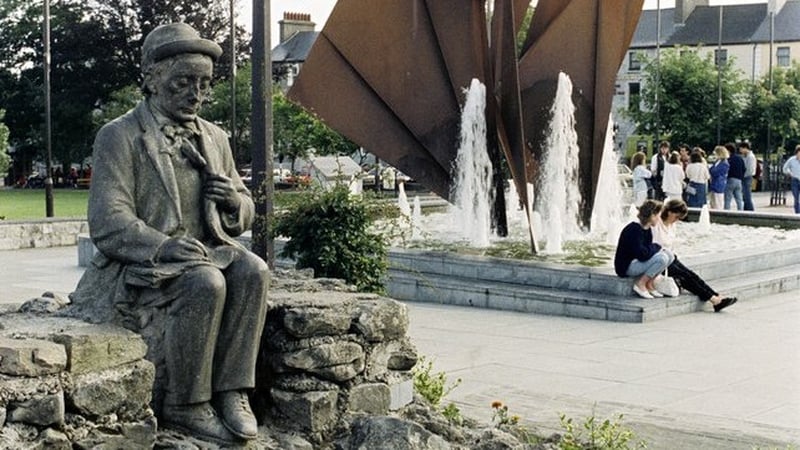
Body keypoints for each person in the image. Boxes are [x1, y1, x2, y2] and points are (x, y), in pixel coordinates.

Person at [70, 23, 268, 445]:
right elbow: (108, 220)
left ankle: (232, 390)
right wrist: (163, 246)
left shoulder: (215, 137)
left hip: (207, 249)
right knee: (206, 282)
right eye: (183, 82)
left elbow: (247, 206)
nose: (196, 94)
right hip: (147, 263)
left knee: (254, 270)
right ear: (153, 79)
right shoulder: (119, 136)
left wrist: (233, 202)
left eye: (204, 84)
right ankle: (186, 403)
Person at [652, 199, 738, 312]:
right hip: (659, 259)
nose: (677, 220)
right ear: (669, 212)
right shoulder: (656, 224)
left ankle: (716, 295)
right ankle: (713, 300)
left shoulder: (672, 225)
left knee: (691, 274)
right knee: (684, 276)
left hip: (670, 257)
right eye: (677, 217)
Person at [614, 199, 675, 299]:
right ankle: (641, 284)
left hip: (636, 262)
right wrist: (656, 246)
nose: (659, 219)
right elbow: (642, 254)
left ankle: (649, 283)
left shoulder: (647, 229)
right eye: (658, 216)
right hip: (626, 267)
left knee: (669, 255)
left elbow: (647, 250)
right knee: (662, 258)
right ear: (652, 216)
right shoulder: (634, 229)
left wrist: (655, 248)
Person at [724, 142, 745, 210]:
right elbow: (744, 168)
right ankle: (741, 211)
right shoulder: (740, 158)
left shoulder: (728, 159)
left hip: (730, 179)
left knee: (728, 198)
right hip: (739, 180)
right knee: (739, 198)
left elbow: (727, 169)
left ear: (728, 150)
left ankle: (727, 211)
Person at [709, 145, 729, 210]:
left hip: (719, 185)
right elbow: (711, 170)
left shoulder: (725, 163)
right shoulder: (717, 161)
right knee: (712, 203)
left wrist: (712, 170)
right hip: (714, 184)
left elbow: (715, 172)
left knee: (718, 204)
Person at [783, 144, 800, 214]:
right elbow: (784, 168)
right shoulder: (792, 160)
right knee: (796, 198)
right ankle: (797, 214)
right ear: (796, 152)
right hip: (795, 180)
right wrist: (789, 173)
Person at [739, 141, 756, 211]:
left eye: (741, 149)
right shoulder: (745, 156)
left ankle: (750, 209)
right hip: (745, 177)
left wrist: (743, 175)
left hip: (747, 177)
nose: (740, 151)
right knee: (744, 195)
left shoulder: (750, 157)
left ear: (745, 148)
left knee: (747, 195)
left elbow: (750, 169)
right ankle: (746, 209)